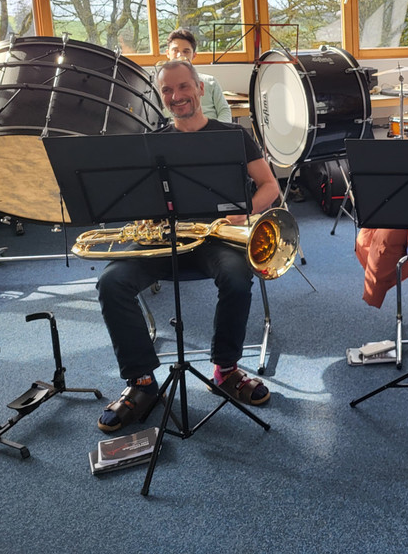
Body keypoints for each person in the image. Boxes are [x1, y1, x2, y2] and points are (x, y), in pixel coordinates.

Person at [94, 59, 280, 432]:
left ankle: (225, 369)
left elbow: (269, 186)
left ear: (200, 88)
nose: (176, 96)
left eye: (183, 87)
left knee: (236, 277)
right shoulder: (152, 142)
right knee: (111, 282)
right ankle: (142, 382)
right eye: (167, 90)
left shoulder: (233, 135)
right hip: (166, 239)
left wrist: (245, 214)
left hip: (216, 238)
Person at [164, 28, 232, 122]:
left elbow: (224, 111)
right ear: (168, 53)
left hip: (212, 128)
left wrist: (218, 129)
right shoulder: (160, 86)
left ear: (194, 55)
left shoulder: (210, 81)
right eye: (175, 50)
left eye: (186, 51)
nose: (180, 55)